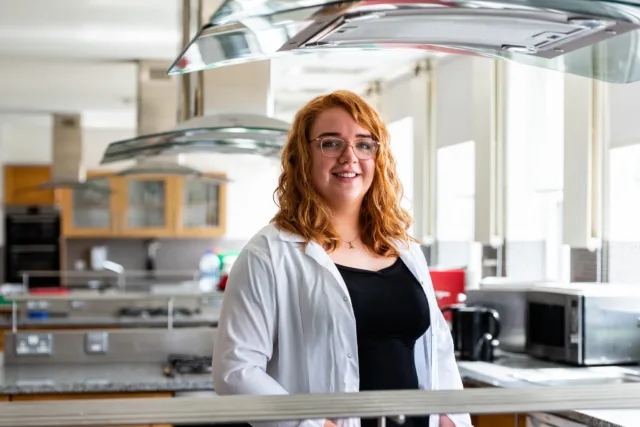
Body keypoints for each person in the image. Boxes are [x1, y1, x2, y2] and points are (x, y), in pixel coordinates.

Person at [212, 90, 473, 427]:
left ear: (378, 158)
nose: (350, 157)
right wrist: (314, 425)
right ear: (302, 156)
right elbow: (236, 370)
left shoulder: (405, 249)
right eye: (331, 143)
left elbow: (437, 349)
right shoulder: (269, 254)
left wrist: (450, 418)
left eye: (364, 144)